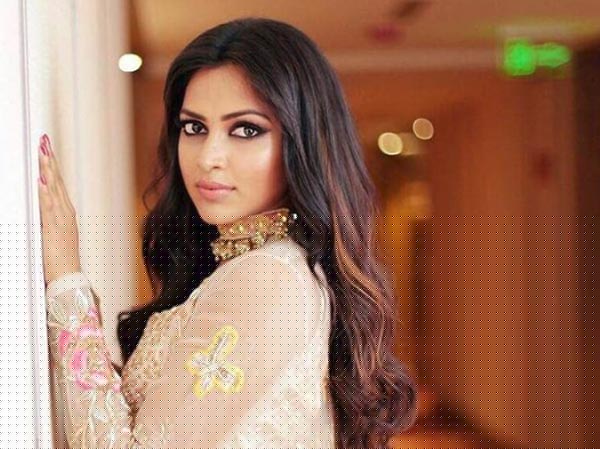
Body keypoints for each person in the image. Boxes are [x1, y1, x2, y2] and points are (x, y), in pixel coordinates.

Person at [39, 17, 417, 449]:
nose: (209, 157)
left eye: (246, 130)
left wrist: (67, 281)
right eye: (194, 127)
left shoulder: (269, 277)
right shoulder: (265, 267)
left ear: (301, 143)